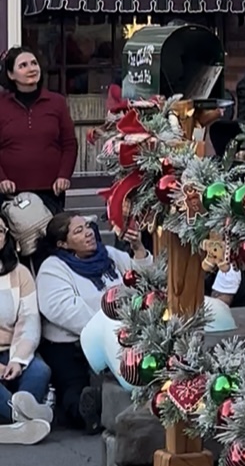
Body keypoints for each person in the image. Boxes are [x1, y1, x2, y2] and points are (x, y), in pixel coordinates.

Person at [35, 213, 150, 432]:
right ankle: (85, 413)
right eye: (78, 231)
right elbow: (64, 309)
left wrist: (138, 250)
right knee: (74, 390)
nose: (88, 232)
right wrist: (107, 327)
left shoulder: (111, 256)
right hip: (72, 344)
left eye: (87, 227)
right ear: (63, 243)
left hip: (123, 333)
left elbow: (145, 281)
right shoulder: (53, 268)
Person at [0, 47, 78, 214]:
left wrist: (64, 175)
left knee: (49, 238)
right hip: (10, 193)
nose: (31, 69)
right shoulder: (1, 105)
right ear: (10, 74)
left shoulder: (56, 102)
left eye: (34, 63)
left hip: (51, 191)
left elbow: (69, 144)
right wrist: (2, 179)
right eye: (23, 65)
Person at [0, 212, 51, 444]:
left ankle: (17, 421)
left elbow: (29, 319)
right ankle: (23, 418)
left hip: (12, 350)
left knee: (39, 370)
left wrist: (18, 360)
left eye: (0, 231)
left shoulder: (19, 273)